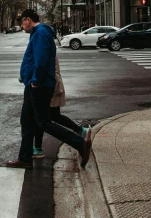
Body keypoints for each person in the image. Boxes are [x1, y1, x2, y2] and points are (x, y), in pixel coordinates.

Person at [6, 9, 91, 170]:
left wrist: (35, 81)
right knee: (26, 121)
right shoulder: (39, 33)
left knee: (43, 122)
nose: (21, 25)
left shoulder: (41, 33)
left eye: (21, 22)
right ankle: (24, 158)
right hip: (34, 84)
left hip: (39, 85)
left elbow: (42, 60)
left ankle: (80, 143)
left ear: (28, 19)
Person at [33, 54, 89, 158]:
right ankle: (80, 131)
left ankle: (38, 148)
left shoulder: (44, 46)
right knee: (53, 116)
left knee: (41, 120)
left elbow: (42, 68)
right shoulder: (49, 47)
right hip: (54, 87)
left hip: (50, 89)